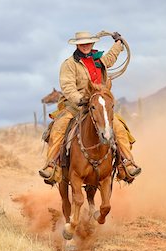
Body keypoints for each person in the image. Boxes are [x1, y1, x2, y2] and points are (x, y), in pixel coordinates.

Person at [39, 31, 141, 183]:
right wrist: (79, 99)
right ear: (77, 45)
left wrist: (118, 44)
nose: (86, 46)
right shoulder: (69, 64)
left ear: (92, 44)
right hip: (76, 105)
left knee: (119, 128)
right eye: (82, 43)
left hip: (99, 104)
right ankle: (52, 166)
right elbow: (67, 86)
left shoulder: (98, 60)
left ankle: (126, 163)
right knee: (59, 127)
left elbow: (111, 58)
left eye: (88, 43)